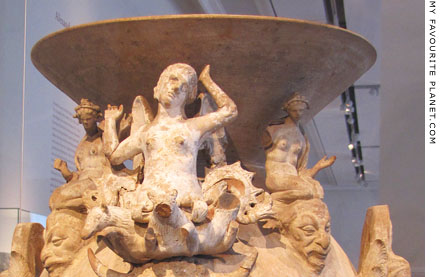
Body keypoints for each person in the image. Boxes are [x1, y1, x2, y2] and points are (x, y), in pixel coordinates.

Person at [103, 63, 237, 224]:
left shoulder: (193, 127)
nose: (176, 87)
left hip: (186, 201)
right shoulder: (145, 132)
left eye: (184, 87)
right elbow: (114, 156)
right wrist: (110, 121)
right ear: (157, 89)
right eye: (172, 79)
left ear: (189, 96)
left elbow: (230, 110)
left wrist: (207, 81)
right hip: (148, 202)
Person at [50, 99, 130, 212]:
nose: (86, 122)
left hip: (97, 180)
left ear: (96, 118)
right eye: (83, 120)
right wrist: (66, 173)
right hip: (83, 181)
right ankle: (83, 203)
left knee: (61, 199)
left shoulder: (103, 137)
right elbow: (80, 173)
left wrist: (112, 121)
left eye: (88, 119)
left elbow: (112, 152)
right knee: (53, 198)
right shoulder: (82, 145)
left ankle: (90, 201)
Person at [263, 93, 335, 201]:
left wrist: (318, 167)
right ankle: (273, 198)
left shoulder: (303, 138)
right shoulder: (274, 129)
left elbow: (301, 172)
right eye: (294, 111)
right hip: (276, 176)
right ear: (287, 110)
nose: (298, 114)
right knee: (307, 191)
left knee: (316, 191)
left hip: (293, 178)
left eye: (301, 110)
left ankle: (277, 198)